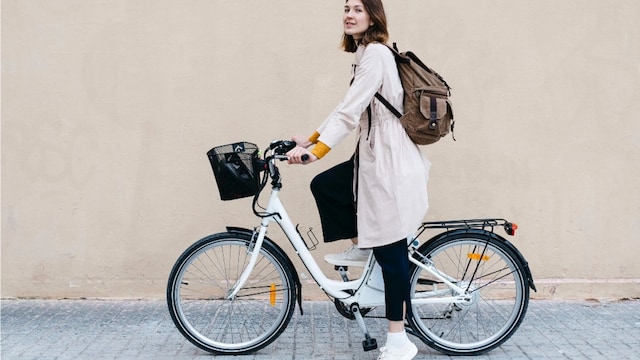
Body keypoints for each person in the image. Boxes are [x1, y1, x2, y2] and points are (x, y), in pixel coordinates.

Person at [287, 0, 429, 359]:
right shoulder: (365, 52)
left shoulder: (378, 54)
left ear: (373, 16)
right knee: (327, 186)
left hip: (388, 160)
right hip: (371, 152)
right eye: (346, 8)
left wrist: (314, 153)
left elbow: (350, 112)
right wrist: (313, 138)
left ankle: (399, 340)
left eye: (358, 9)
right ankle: (365, 245)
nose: (349, 14)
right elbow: (346, 105)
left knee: (392, 252)